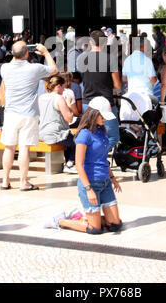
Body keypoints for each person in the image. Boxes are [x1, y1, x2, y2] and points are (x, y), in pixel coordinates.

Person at [44, 97, 122, 234]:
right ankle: (59, 221)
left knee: (115, 225)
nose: (105, 119)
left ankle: (87, 217)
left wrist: (113, 178)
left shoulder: (102, 131)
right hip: (90, 183)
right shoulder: (84, 135)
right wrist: (88, 189)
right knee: (95, 229)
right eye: (103, 116)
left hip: (105, 183)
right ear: (94, 114)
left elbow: (103, 159)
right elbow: (79, 165)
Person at [0, 41, 57, 191]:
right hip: (29, 114)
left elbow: (14, 58)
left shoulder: (4, 68)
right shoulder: (34, 68)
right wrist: (45, 52)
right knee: (24, 148)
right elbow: (54, 70)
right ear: (27, 53)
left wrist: (16, 52)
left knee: (9, 148)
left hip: (10, 114)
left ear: (12, 53)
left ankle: (5, 180)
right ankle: (23, 182)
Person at [77, 30, 121, 151]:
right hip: (105, 102)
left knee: (91, 136)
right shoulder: (110, 59)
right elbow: (117, 85)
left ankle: (94, 158)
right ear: (105, 42)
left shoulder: (81, 59)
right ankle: (99, 157)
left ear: (90, 42)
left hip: (88, 103)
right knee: (113, 136)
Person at [39, 75, 77, 173]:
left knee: (70, 140)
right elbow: (69, 118)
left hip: (42, 132)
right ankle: (70, 164)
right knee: (79, 141)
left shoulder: (41, 97)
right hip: (56, 133)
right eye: (64, 87)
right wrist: (68, 103)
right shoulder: (59, 98)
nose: (64, 90)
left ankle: (69, 161)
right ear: (59, 86)